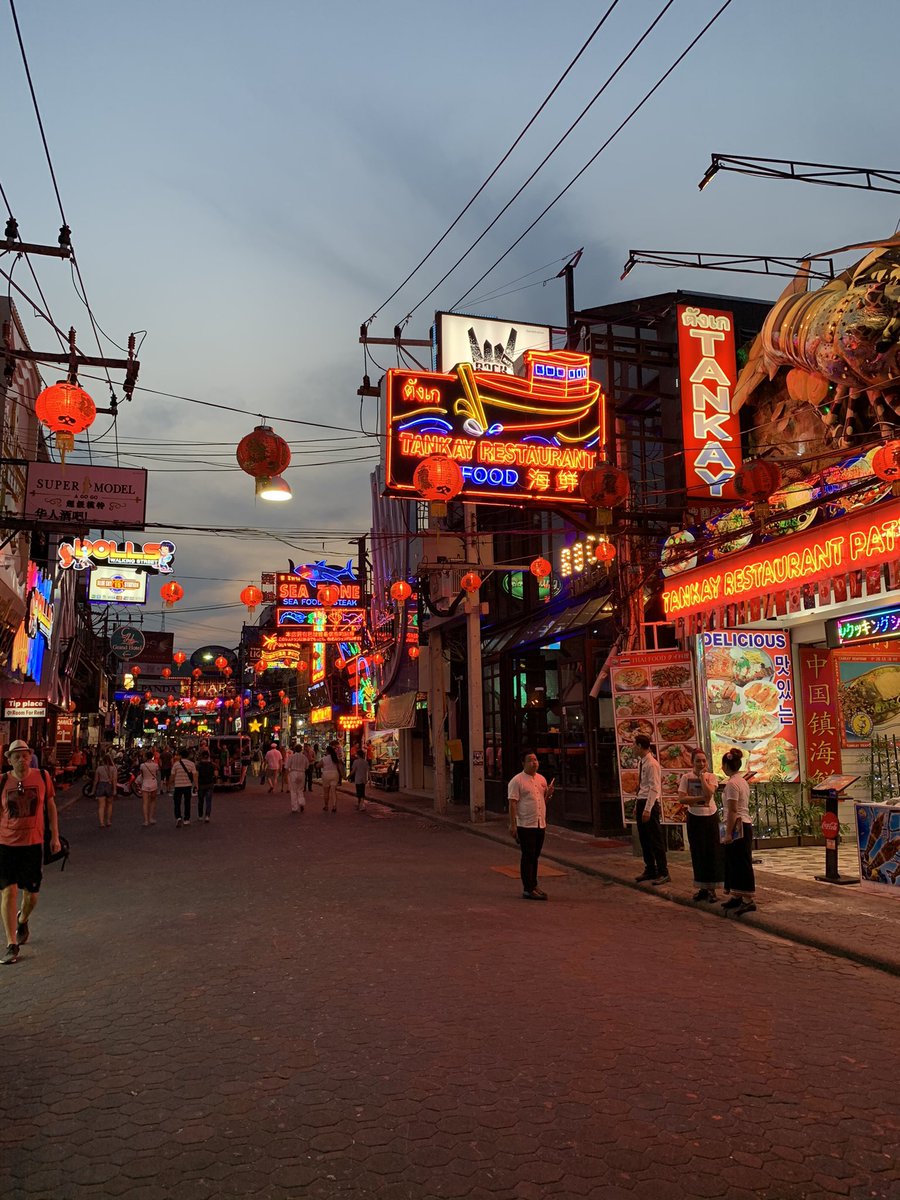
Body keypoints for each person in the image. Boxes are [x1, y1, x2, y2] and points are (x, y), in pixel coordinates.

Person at [1, 739, 60, 965]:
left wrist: (54, 836)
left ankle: (22, 919)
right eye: (16, 756)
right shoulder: (3, 782)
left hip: (33, 844)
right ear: (9, 760)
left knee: (31, 895)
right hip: (6, 845)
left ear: (30, 757)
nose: (21, 760)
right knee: (8, 892)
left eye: (25, 755)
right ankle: (10, 943)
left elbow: (51, 807)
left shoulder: (43, 777)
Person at [507, 750, 553, 900]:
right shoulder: (517, 781)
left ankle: (534, 884)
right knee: (528, 855)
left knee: (536, 855)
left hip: (540, 822)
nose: (534, 763)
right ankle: (528, 888)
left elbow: (541, 801)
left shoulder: (541, 779)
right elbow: (512, 803)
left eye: (536, 760)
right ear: (523, 763)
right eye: (531, 760)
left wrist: (549, 794)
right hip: (525, 823)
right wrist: (513, 825)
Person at [678, 749, 723, 902]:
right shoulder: (686, 777)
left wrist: (703, 778)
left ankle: (712, 890)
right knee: (698, 852)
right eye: (698, 761)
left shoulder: (711, 777)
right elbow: (682, 799)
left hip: (710, 817)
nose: (701, 763)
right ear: (692, 762)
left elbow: (710, 794)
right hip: (694, 817)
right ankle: (702, 887)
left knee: (712, 852)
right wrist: (697, 798)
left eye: (704, 760)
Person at [720, 747, 756, 916]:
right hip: (742, 824)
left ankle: (748, 900)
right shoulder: (741, 781)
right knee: (734, 862)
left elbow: (733, 810)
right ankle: (736, 895)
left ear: (726, 765)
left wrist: (728, 833)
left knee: (741, 863)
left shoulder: (733, 784)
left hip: (738, 826)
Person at [633, 734, 669, 884]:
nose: (633, 748)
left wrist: (647, 809)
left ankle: (663, 871)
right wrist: (637, 805)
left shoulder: (652, 764)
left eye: (634, 745)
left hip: (650, 803)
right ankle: (650, 868)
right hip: (642, 801)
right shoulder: (642, 762)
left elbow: (654, 788)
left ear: (640, 746)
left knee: (655, 838)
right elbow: (642, 786)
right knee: (645, 839)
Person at [170, 750, 196, 827]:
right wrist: (196, 785)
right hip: (188, 785)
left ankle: (178, 817)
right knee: (187, 802)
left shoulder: (176, 764)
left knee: (177, 802)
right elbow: (194, 775)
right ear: (188, 756)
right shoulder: (191, 764)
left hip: (178, 786)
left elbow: (172, 775)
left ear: (180, 756)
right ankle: (186, 819)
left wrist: (170, 783)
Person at [94, 752, 118, 829]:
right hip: (109, 786)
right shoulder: (113, 768)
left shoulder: (99, 768)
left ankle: (101, 822)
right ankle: (108, 821)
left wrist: (93, 790)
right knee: (109, 805)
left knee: (101, 806)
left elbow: (96, 780)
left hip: (101, 785)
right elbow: (114, 780)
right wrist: (114, 789)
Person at [138, 749, 160, 827]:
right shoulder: (155, 765)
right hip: (153, 782)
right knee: (153, 801)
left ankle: (146, 820)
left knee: (145, 802)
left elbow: (142, 775)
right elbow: (157, 774)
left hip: (145, 783)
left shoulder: (142, 766)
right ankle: (151, 818)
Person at [285, 743, 309, 814]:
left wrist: (286, 776)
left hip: (293, 773)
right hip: (302, 773)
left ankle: (294, 807)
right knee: (300, 789)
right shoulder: (304, 757)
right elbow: (307, 766)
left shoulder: (292, 757)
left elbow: (287, 767)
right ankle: (301, 802)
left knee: (293, 790)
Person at [195, 750, 216, 823]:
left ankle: (200, 816)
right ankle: (207, 816)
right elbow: (216, 774)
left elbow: (196, 775)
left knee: (200, 801)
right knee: (208, 801)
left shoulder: (198, 765)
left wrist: (196, 785)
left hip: (201, 785)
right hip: (209, 784)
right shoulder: (212, 765)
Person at [320, 744, 342, 813]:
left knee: (326, 792)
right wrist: (342, 775)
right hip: (335, 774)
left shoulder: (324, 758)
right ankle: (334, 806)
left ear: (327, 751)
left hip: (326, 774)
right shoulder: (335, 758)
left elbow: (318, 765)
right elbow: (339, 767)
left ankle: (326, 806)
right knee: (333, 791)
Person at [350, 746, 368, 811]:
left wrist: (348, 776)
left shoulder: (356, 762)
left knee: (358, 792)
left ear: (358, 755)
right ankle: (361, 804)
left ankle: (360, 805)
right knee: (362, 792)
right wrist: (368, 779)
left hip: (358, 779)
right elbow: (367, 771)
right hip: (363, 779)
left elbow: (353, 771)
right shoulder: (365, 762)